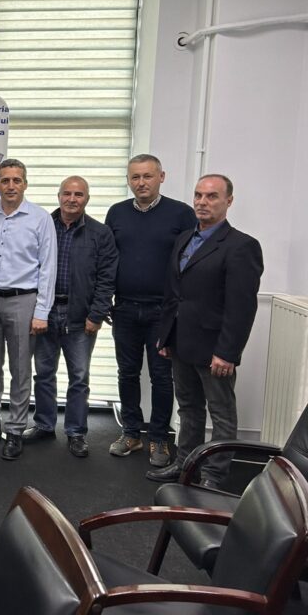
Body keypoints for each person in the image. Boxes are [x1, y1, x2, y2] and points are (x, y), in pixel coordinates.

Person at [147, 174, 263, 487]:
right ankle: (186, 465)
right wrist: (166, 336)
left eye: (212, 196)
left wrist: (227, 352)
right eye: (198, 195)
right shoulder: (185, 238)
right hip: (181, 343)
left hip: (215, 350)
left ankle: (214, 475)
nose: (202, 202)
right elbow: (173, 294)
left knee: (221, 413)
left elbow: (242, 307)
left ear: (229, 201)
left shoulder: (242, 246)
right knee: (188, 408)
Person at [105, 154, 196, 466]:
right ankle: (131, 433)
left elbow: (191, 263)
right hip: (124, 309)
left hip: (163, 312)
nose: (141, 182)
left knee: (161, 376)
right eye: (135, 177)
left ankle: (158, 438)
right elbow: (108, 259)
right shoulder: (116, 213)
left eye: (147, 176)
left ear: (161, 177)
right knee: (127, 373)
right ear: (128, 180)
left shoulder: (182, 214)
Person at [0, 158, 55, 460]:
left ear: (25, 184)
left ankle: (15, 429)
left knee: (20, 368)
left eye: (17, 180)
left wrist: (42, 312)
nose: (11, 185)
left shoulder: (40, 218)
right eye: (5, 180)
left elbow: (48, 268)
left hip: (24, 300)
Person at [23, 177, 118, 458]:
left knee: (79, 377)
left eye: (78, 194)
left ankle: (76, 432)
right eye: (67, 193)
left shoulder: (100, 233)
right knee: (43, 373)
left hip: (80, 316)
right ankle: (44, 424)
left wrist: (96, 314)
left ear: (87, 199)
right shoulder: (43, 225)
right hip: (45, 312)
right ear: (58, 196)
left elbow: (107, 278)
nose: (72, 199)